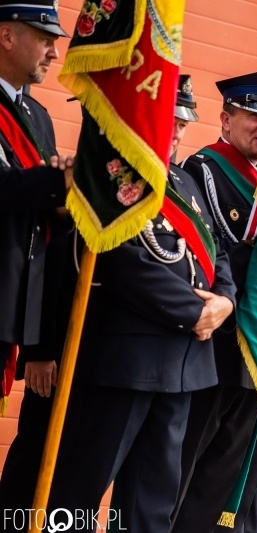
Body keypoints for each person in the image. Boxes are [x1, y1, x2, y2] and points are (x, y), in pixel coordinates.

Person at [46, 75, 237, 532]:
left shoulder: (183, 182)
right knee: (78, 494)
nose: (175, 133)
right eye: (167, 121)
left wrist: (225, 303)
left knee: (151, 502)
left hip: (184, 366)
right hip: (127, 361)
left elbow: (217, 252)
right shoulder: (112, 173)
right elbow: (122, 261)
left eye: (181, 124)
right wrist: (196, 312)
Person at [170, 69, 257, 533]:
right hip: (214, 345)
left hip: (256, 349)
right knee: (186, 461)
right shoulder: (205, 169)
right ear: (225, 118)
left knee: (223, 474)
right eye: (254, 115)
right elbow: (224, 249)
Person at [0, 3, 72, 529]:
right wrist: (61, 182)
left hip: (11, 314)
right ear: (6, 36)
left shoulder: (39, 116)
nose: (54, 50)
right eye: (43, 38)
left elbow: (45, 234)